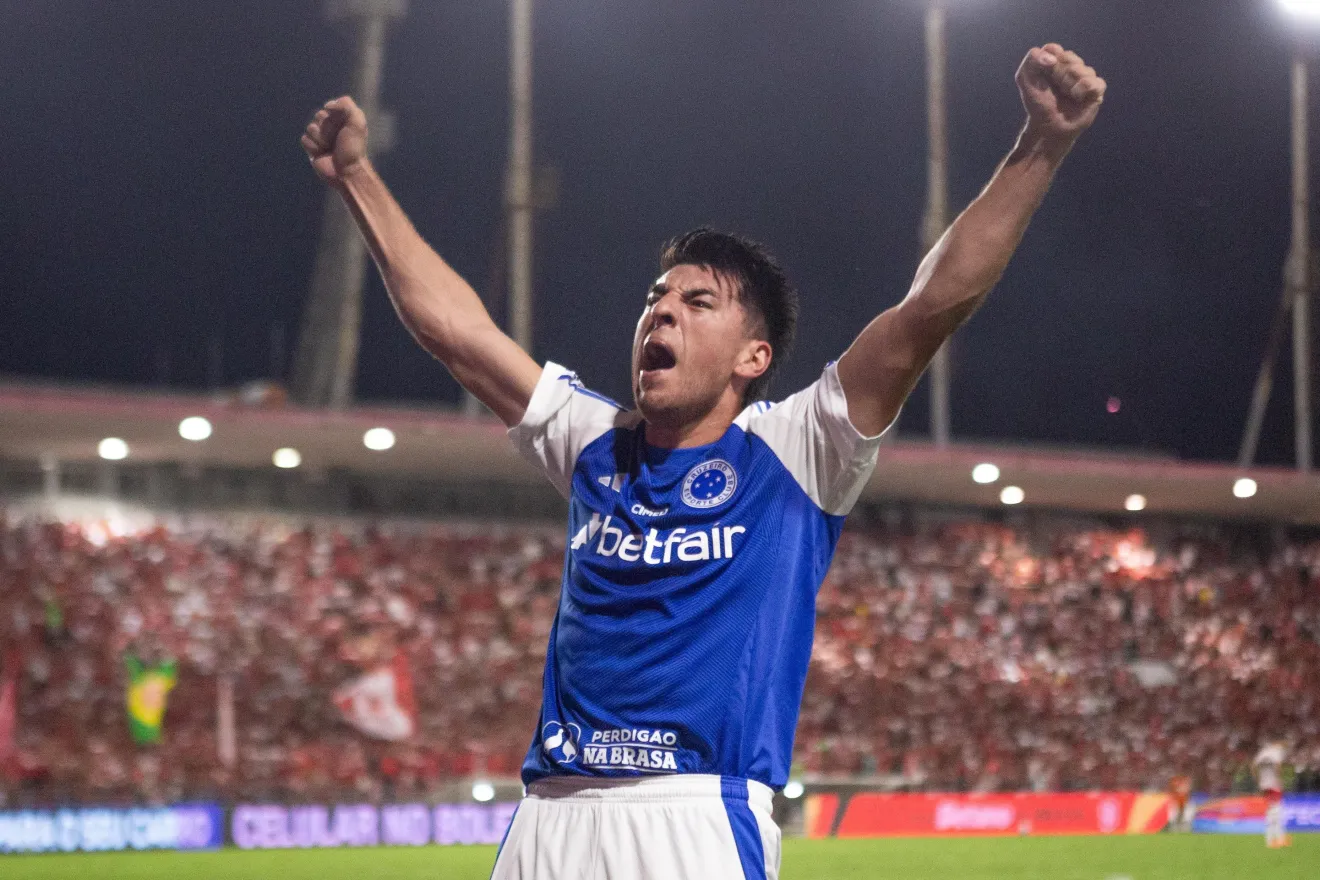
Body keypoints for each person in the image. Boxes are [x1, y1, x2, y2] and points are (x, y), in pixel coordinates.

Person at [301, 42, 1105, 880]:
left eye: (697, 302)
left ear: (753, 357)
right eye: (655, 300)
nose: (662, 316)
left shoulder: (800, 448)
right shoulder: (594, 443)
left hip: (692, 820)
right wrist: (358, 177)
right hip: (546, 820)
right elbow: (459, 334)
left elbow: (928, 309)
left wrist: (1040, 145)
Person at [1253, 741, 1290, 848]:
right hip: (1274, 785)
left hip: (1264, 785)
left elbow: (1253, 766)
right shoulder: (1277, 752)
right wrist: (1279, 778)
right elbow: (1278, 765)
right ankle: (1278, 840)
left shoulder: (1262, 753)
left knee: (1270, 812)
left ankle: (1272, 840)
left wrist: (1258, 779)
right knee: (1277, 813)